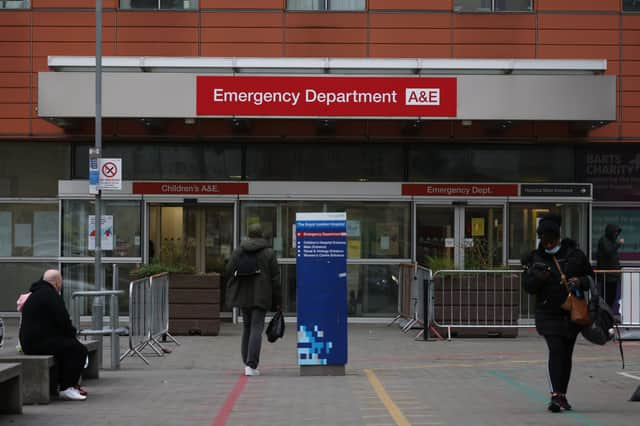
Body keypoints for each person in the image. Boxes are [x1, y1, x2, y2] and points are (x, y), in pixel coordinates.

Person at [521, 214, 594, 413]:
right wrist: (538, 279)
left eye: (550, 239)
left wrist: (579, 281)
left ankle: (562, 394)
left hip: (572, 314)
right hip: (547, 313)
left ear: (557, 236)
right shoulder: (535, 258)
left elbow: (590, 278)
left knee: (566, 354)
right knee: (556, 350)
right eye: (543, 239)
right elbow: (527, 287)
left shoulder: (575, 255)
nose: (547, 243)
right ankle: (555, 396)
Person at [19, 269, 88, 401]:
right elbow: (63, 320)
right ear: (57, 283)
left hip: (30, 342)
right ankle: (67, 387)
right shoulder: (51, 295)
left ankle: (62, 384)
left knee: (66, 348)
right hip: (38, 343)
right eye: (60, 283)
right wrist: (73, 336)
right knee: (79, 350)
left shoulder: (36, 293)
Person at [225, 223, 281, 377]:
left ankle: (247, 363)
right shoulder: (269, 253)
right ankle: (251, 365)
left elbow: (228, 270)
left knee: (247, 328)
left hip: (244, 295)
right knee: (256, 328)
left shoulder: (239, 251)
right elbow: (276, 279)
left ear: (249, 235)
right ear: (261, 235)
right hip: (262, 296)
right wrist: (278, 300)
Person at [596, 224, 624, 315]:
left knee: (612, 297)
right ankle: (604, 315)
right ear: (610, 232)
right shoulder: (604, 240)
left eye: (617, 232)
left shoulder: (611, 241)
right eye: (615, 232)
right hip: (607, 275)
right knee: (606, 297)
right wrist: (618, 244)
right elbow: (608, 252)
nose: (616, 234)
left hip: (613, 275)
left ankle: (608, 315)